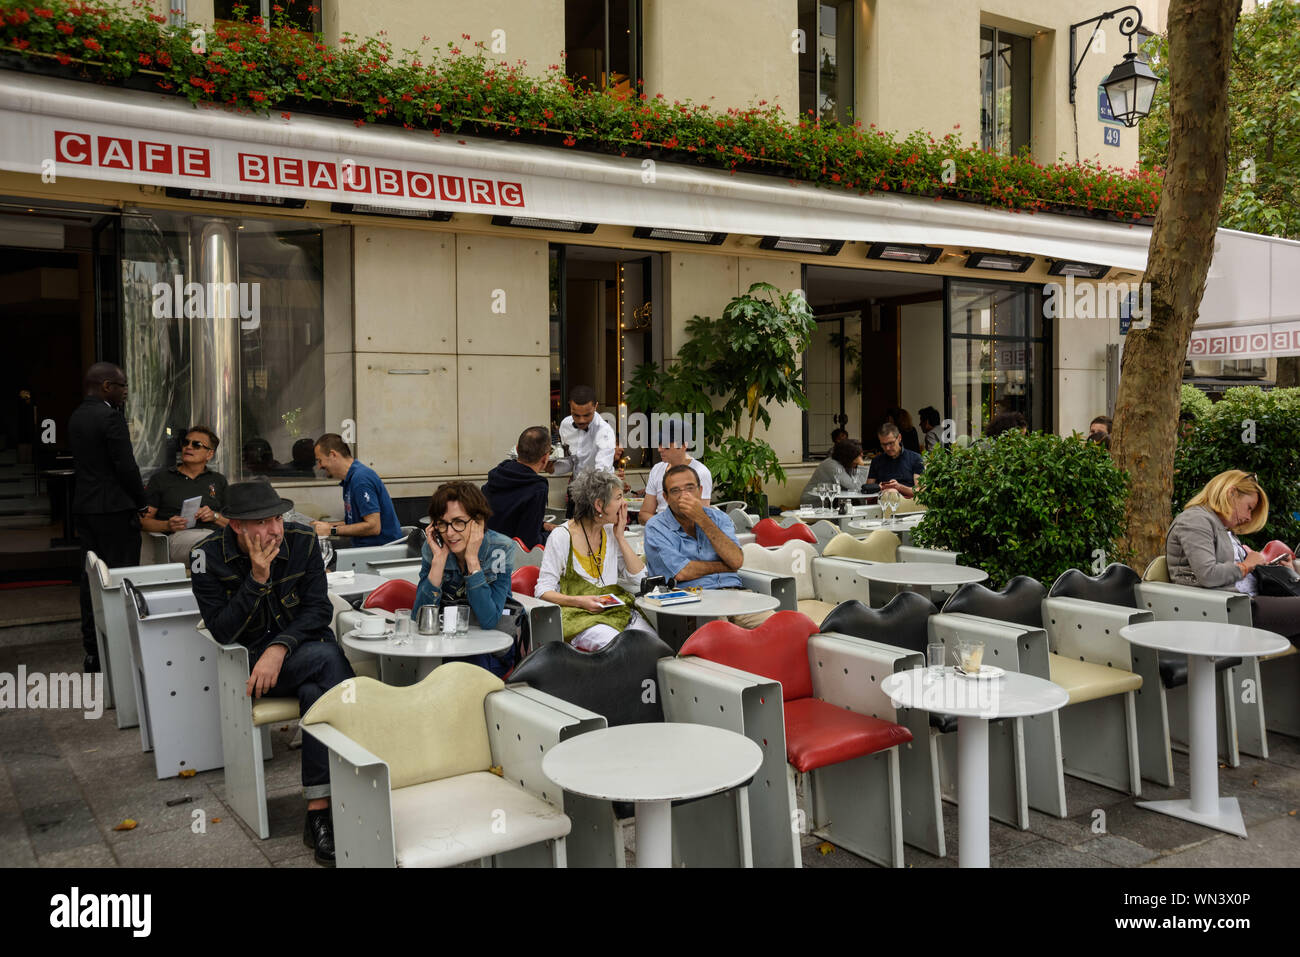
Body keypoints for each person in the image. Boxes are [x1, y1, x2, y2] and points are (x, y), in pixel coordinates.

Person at [189, 481, 355, 866]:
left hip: (302, 654)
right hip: (250, 672)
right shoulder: (206, 557)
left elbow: (317, 610)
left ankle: (318, 812)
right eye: (262, 522)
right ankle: (358, 788)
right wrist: (257, 580)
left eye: (277, 517)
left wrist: (280, 648)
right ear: (236, 526)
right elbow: (223, 630)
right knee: (331, 661)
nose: (276, 529)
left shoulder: (302, 540)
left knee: (318, 689)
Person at [69, 362, 148, 673]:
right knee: (120, 579)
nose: (125, 391)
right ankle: (122, 649)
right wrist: (142, 503)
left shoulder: (76, 416)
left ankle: (93, 652)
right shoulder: (110, 417)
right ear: (105, 386)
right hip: (115, 511)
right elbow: (126, 467)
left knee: (90, 578)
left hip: (86, 508)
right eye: (121, 386)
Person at [1166, 470, 1299, 644]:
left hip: (1243, 602)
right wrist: (1246, 566)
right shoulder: (1195, 520)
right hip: (1229, 609)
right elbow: (1208, 574)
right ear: (1231, 493)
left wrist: (1276, 569)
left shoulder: (1222, 528)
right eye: (1249, 508)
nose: (1248, 517)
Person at [644, 463, 768, 627]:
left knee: (779, 627)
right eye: (675, 491)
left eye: (690, 488)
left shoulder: (719, 518)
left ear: (700, 491)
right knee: (724, 632)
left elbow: (736, 560)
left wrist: (702, 518)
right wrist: (725, 567)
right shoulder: (656, 527)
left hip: (736, 596)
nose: (684, 496)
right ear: (665, 498)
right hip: (692, 600)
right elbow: (682, 572)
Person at [413, 481, 516, 675]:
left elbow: (489, 620)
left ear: (478, 521)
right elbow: (418, 617)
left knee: (465, 668)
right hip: (445, 642)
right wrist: (438, 561)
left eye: (459, 522)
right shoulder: (434, 548)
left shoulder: (500, 548)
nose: (450, 533)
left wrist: (472, 560)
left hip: (489, 648)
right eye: (442, 524)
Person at [536, 470, 646, 651]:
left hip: (614, 611)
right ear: (599, 505)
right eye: (619, 497)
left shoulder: (610, 532)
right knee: (622, 649)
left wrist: (620, 537)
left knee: (652, 644)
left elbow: (639, 578)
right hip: (579, 616)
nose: (624, 503)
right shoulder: (562, 536)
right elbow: (542, 591)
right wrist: (581, 601)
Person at [141, 425, 229, 562]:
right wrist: (167, 525)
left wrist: (215, 516)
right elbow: (143, 521)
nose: (188, 447)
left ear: (209, 454)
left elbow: (234, 523)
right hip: (178, 538)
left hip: (215, 534)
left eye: (196, 445)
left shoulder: (218, 480)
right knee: (211, 545)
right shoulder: (162, 479)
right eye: (185, 442)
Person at [310, 433, 402, 547]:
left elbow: (373, 527)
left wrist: (331, 530)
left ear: (333, 455)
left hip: (380, 552)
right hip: (364, 548)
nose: (319, 466)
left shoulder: (361, 479)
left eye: (320, 460)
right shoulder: (350, 479)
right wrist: (327, 526)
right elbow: (354, 523)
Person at [550, 385, 619, 514]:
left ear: (596, 406)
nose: (581, 420)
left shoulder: (605, 432)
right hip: (575, 491)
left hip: (599, 493)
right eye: (576, 415)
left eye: (587, 415)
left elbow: (601, 472)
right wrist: (552, 468)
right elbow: (571, 462)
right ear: (570, 406)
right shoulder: (565, 425)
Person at [483, 426, 555, 549]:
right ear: (545, 458)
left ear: (517, 449)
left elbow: (505, 518)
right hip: (511, 557)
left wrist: (542, 525)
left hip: (486, 550)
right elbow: (529, 542)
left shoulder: (497, 474)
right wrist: (554, 536)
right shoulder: (537, 488)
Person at [638, 419, 713, 525]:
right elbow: (644, 514)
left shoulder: (701, 473)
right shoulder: (657, 469)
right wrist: (664, 529)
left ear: (683, 445)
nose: (660, 449)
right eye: (659, 443)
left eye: (666, 444)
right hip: (660, 533)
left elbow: (702, 519)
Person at [800, 439, 865, 506]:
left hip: (832, 502)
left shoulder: (847, 464)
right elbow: (854, 486)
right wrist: (861, 465)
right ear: (848, 455)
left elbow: (862, 486)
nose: (862, 456)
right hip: (814, 502)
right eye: (858, 455)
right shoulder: (832, 465)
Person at [867, 424, 925, 499]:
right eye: (884, 444)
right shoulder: (877, 460)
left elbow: (919, 491)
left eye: (891, 443)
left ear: (899, 438)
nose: (887, 448)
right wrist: (878, 487)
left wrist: (898, 487)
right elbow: (868, 490)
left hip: (908, 504)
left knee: (892, 492)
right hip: (883, 501)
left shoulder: (915, 458)